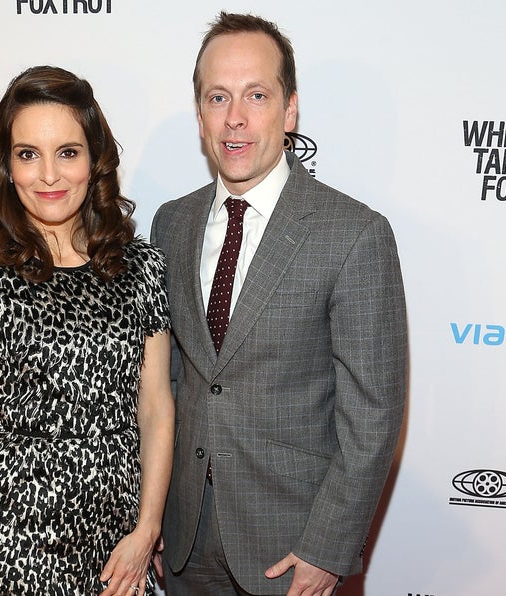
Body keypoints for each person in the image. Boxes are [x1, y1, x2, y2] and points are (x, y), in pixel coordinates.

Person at [150, 12, 408, 596]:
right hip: (184, 540)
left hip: (291, 551)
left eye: (256, 95)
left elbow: (373, 414)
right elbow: (165, 384)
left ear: (290, 111)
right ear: (199, 115)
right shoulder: (172, 224)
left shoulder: (353, 234)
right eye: (218, 97)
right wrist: (151, 515)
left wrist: (327, 548)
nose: (235, 118)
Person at [0, 65, 174, 596]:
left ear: (94, 160)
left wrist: (147, 527)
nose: (48, 176)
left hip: (117, 535)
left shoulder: (141, 269)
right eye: (27, 154)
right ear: (6, 166)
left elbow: (155, 408)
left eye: (67, 152)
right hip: (14, 531)